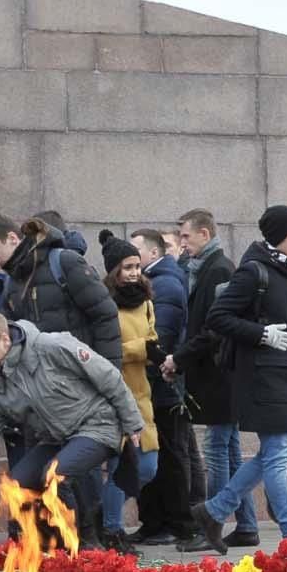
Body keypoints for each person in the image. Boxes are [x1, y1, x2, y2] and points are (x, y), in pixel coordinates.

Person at [190, 206, 287, 556]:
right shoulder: (254, 272)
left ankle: (214, 511)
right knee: (279, 454)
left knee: (270, 454)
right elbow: (218, 317)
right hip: (262, 379)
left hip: (286, 379)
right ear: (275, 236)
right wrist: (261, 333)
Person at [0, 310, 145, 550]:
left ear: (4, 338)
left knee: (55, 474)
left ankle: (84, 545)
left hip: (98, 425)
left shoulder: (51, 346)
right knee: (18, 483)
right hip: (56, 437)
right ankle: (46, 547)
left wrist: (132, 423)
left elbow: (108, 376)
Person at [174, 209, 250, 551]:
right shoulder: (206, 267)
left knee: (218, 451)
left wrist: (179, 358)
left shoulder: (218, 268)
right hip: (218, 375)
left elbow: (213, 327)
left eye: (187, 237)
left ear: (205, 234)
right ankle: (246, 524)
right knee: (231, 452)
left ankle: (213, 526)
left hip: (219, 375)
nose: (182, 243)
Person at [96, 230, 162, 552]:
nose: (135, 272)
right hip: (114, 391)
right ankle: (112, 528)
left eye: (137, 265)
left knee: (148, 466)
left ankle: (106, 515)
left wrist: (152, 351)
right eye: (127, 267)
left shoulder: (147, 302)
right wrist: (145, 348)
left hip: (141, 390)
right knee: (122, 465)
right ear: (114, 271)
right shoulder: (104, 304)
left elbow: (154, 340)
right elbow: (112, 351)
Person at [130, 226, 194, 544]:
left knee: (169, 455)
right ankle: (160, 522)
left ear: (154, 253)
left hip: (162, 385)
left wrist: (150, 360)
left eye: (136, 251)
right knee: (166, 453)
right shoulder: (156, 280)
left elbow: (161, 337)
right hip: (156, 384)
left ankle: (172, 524)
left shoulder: (164, 284)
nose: (131, 259)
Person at [3, 215, 122, 366]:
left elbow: (105, 315)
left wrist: (108, 373)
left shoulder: (66, 262)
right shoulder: (13, 279)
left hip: (80, 371)